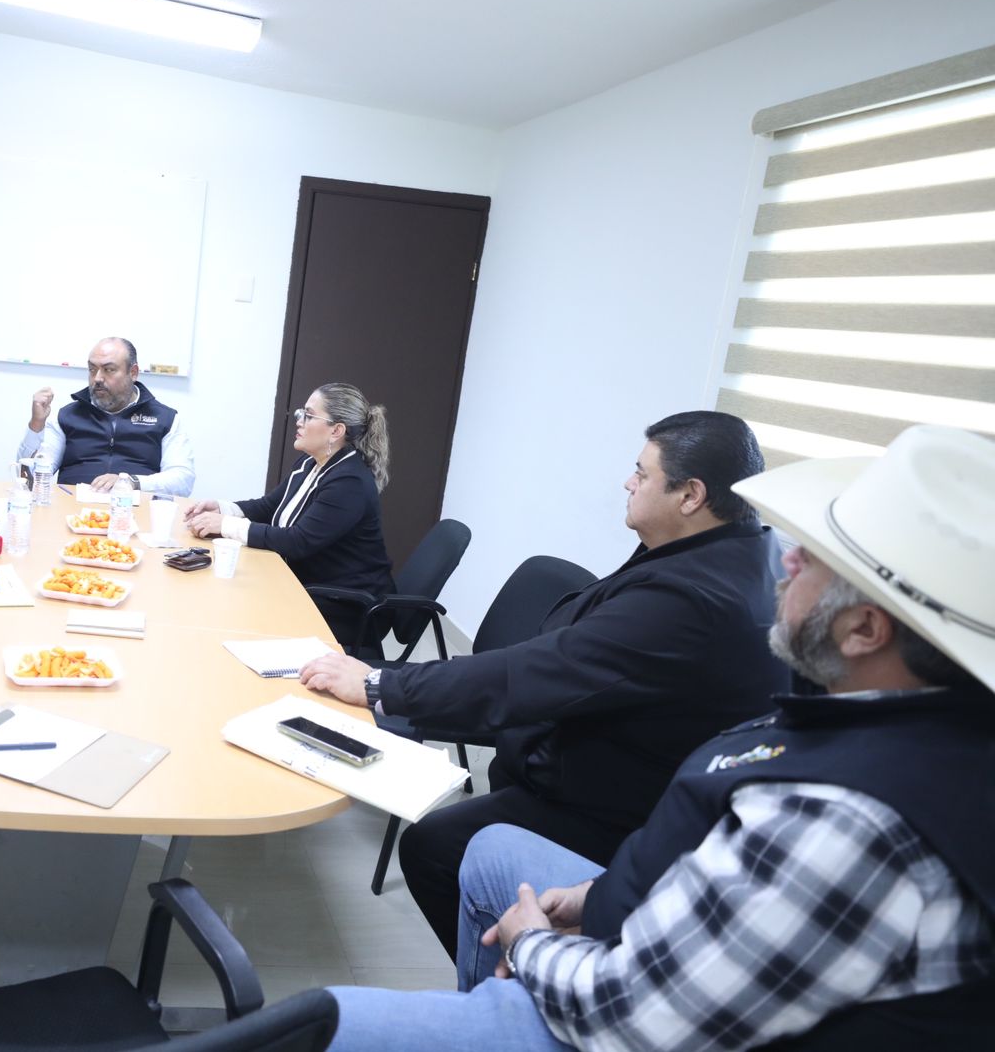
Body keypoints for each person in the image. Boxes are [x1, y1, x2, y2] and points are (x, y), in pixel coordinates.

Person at [323, 423, 995, 1051]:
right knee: (492, 848)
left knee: (322, 1025)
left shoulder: (844, 823)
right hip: (654, 877)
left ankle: (504, 1015)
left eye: (814, 559)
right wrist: (600, 896)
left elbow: (629, 1012)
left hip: (619, 985)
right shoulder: (903, 722)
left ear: (866, 631)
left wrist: (530, 945)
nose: (786, 562)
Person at [301, 411, 788, 957]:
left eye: (641, 472)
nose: (627, 483)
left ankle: (517, 984)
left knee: (435, 848)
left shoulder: (692, 601)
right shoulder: (748, 552)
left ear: (691, 495)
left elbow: (533, 672)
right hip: (623, 765)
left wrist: (380, 684)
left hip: (624, 806)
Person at [184, 383, 394, 648]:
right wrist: (223, 508)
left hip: (343, 606)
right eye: (301, 413)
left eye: (309, 415)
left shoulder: (349, 481)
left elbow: (298, 541)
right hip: (305, 586)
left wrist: (226, 525)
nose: (299, 421)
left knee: (233, 605)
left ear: (336, 431)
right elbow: (270, 506)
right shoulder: (310, 462)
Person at [19, 336, 194, 495]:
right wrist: (37, 424)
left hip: (136, 510)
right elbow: (27, 477)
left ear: (133, 372)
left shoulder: (165, 418)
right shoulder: (67, 416)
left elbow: (182, 480)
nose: (97, 378)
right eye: (92, 369)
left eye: (109, 369)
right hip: (73, 510)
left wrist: (131, 482)